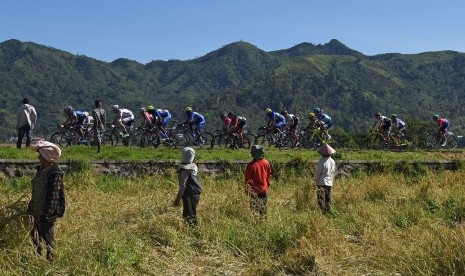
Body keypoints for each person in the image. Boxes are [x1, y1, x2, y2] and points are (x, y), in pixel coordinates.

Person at [27, 141, 65, 262]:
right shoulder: (41, 169)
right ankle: (38, 259)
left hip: (47, 212)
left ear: (47, 157)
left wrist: (47, 214)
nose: (38, 157)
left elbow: (53, 195)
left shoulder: (54, 172)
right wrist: (31, 206)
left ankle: (50, 262)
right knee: (35, 236)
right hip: (36, 209)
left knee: (48, 238)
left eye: (41, 155)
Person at [174, 147, 202, 226]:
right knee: (188, 214)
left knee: (190, 216)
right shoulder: (194, 166)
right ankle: (189, 231)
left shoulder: (185, 170)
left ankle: (194, 232)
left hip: (190, 195)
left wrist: (178, 199)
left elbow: (182, 186)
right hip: (195, 194)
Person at [245, 145, 272, 217]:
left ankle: (255, 223)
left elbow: (247, 179)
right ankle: (263, 222)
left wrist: (247, 189)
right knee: (263, 208)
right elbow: (269, 176)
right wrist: (267, 186)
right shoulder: (266, 163)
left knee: (254, 210)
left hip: (254, 191)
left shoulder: (250, 165)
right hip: (264, 189)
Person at [315, 144, 336, 213]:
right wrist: (331, 182)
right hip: (329, 182)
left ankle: (322, 211)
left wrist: (316, 182)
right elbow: (332, 172)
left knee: (321, 198)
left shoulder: (321, 162)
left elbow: (318, 174)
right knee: (327, 197)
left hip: (321, 182)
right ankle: (328, 210)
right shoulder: (332, 161)